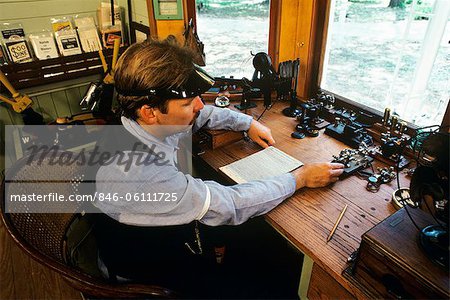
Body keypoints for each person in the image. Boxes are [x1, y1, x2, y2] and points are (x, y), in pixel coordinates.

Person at [92, 37, 344, 298]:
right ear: (150, 111)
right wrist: (299, 178)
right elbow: (231, 204)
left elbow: (204, 115)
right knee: (271, 286)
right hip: (147, 278)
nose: (199, 105)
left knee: (258, 237)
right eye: (189, 103)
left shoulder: (136, 120)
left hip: (155, 238)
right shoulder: (141, 174)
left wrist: (248, 123)